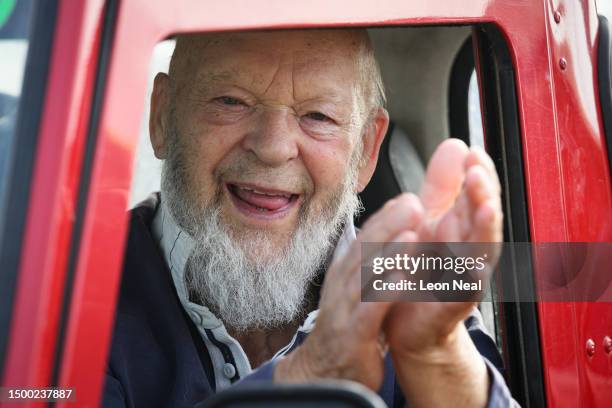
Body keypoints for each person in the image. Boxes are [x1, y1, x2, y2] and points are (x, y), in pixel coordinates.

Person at [103, 29, 516, 407]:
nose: (273, 147)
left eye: (318, 116)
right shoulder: (70, 286)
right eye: (231, 101)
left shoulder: (409, 282)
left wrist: (435, 356)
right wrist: (308, 375)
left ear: (367, 151)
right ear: (162, 116)